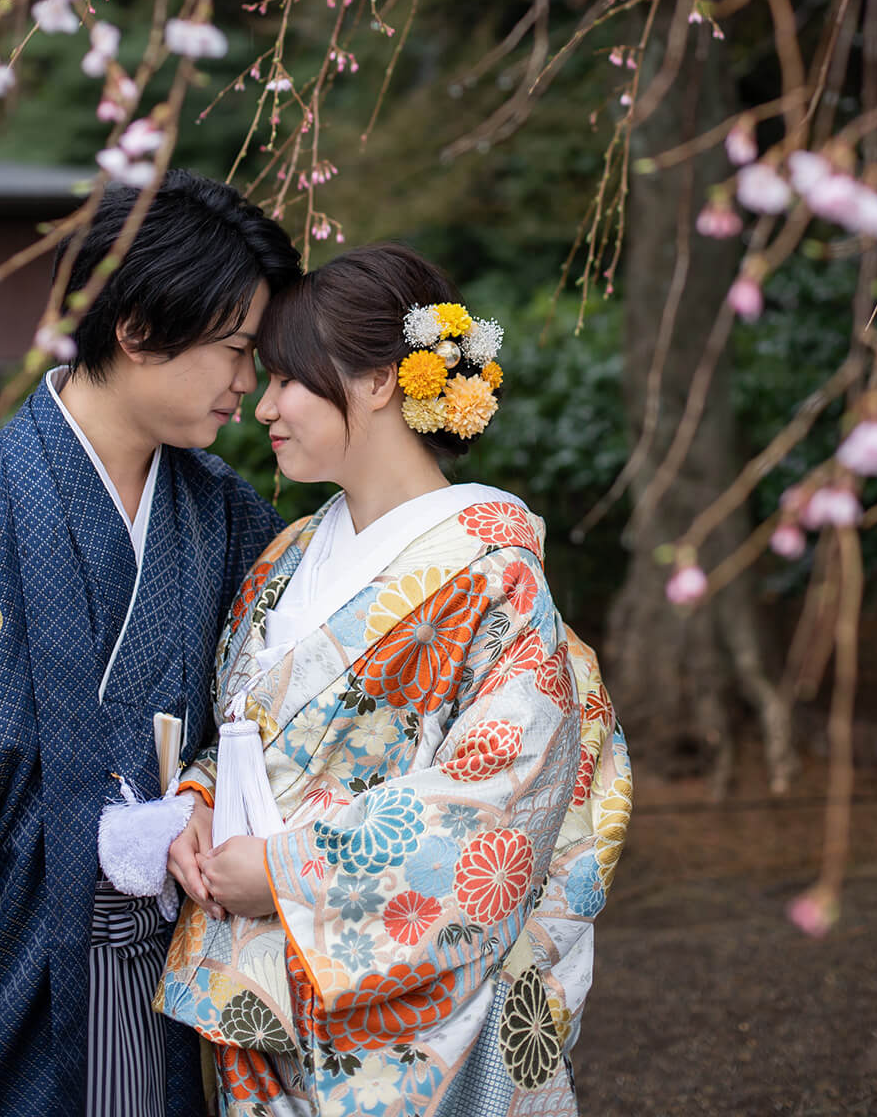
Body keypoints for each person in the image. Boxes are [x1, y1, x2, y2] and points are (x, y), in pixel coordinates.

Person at [158, 242, 631, 1117]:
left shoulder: (492, 572)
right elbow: (242, 737)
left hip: (396, 1011)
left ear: (379, 381)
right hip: (261, 993)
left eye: (288, 380)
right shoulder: (285, 558)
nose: (263, 406)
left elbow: (496, 801)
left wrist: (292, 873)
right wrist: (196, 799)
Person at [0, 169, 301, 1117]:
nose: (248, 384)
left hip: (170, 967)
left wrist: (206, 790)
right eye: (234, 349)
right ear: (136, 328)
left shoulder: (223, 514)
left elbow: (268, 707)